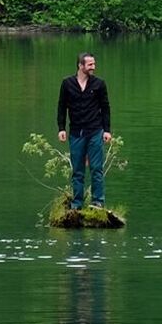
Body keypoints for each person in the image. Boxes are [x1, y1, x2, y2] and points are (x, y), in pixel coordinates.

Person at [57, 52, 112, 210]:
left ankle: (98, 202)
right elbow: (62, 106)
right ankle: (77, 203)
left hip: (95, 130)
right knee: (78, 170)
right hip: (76, 132)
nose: (93, 67)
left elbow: (105, 108)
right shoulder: (67, 83)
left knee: (96, 168)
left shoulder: (99, 84)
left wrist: (107, 130)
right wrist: (61, 128)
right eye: (90, 65)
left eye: (94, 64)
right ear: (80, 66)